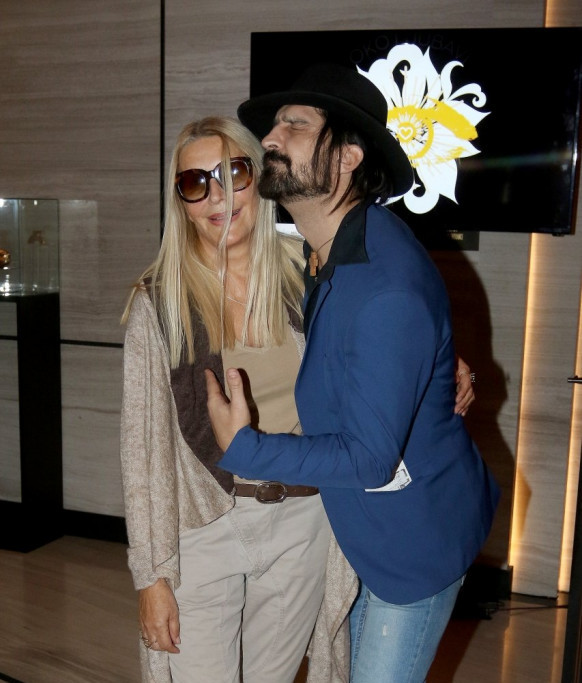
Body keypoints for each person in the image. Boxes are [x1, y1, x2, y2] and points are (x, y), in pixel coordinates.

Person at [205, 63, 500, 683]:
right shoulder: (327, 252)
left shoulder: (384, 285)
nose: (270, 139)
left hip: (410, 550)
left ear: (346, 158)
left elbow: (368, 459)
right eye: (273, 126)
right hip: (369, 532)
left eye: (295, 125)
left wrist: (245, 447)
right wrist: (433, 360)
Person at [119, 116, 359, 683]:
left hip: (303, 519)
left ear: (260, 178)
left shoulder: (311, 274)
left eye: (233, 173)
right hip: (204, 526)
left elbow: (379, 342)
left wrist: (447, 364)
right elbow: (141, 452)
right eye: (195, 182)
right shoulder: (160, 303)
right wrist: (150, 577)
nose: (217, 196)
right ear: (180, 202)